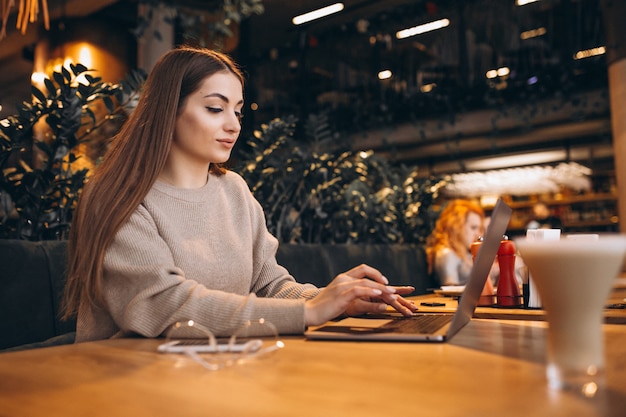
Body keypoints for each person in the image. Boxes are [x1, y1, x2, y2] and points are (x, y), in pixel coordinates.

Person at [61, 46, 417, 343]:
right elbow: (163, 306)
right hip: (126, 382)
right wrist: (308, 311)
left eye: (238, 111)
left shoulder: (234, 191)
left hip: (218, 370)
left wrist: (333, 299)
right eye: (215, 108)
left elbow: (269, 285)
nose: (233, 124)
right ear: (169, 110)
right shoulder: (118, 197)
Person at [425, 199, 485, 286]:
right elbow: (451, 289)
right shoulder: (447, 253)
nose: (478, 234)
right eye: (473, 228)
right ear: (456, 227)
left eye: (479, 229)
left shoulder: (466, 254)